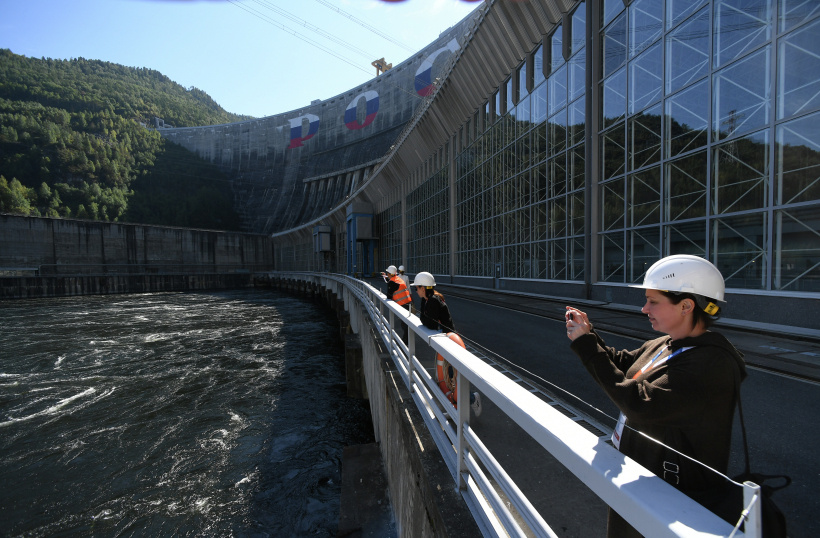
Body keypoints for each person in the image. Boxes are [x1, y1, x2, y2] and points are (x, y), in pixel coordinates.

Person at [565, 255, 746, 538]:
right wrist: (590, 335)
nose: (644, 308)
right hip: (644, 481)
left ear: (686, 306)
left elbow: (639, 404)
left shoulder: (712, 364)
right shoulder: (666, 343)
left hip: (675, 499)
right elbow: (623, 363)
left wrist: (587, 347)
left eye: (654, 301)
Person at [412, 271, 481, 417]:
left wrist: (422, 316)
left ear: (423, 288)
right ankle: (454, 409)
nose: (415, 291)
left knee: (453, 378)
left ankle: (473, 399)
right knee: (448, 379)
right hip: (445, 341)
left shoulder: (433, 301)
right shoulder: (428, 299)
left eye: (416, 288)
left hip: (450, 343)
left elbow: (428, 322)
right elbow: (426, 319)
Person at [381, 265, 412, 342]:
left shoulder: (392, 282)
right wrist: (385, 277)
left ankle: (406, 342)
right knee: (406, 323)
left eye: (387, 273)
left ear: (389, 273)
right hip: (408, 302)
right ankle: (407, 340)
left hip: (402, 304)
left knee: (404, 325)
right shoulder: (398, 279)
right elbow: (392, 282)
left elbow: (389, 296)